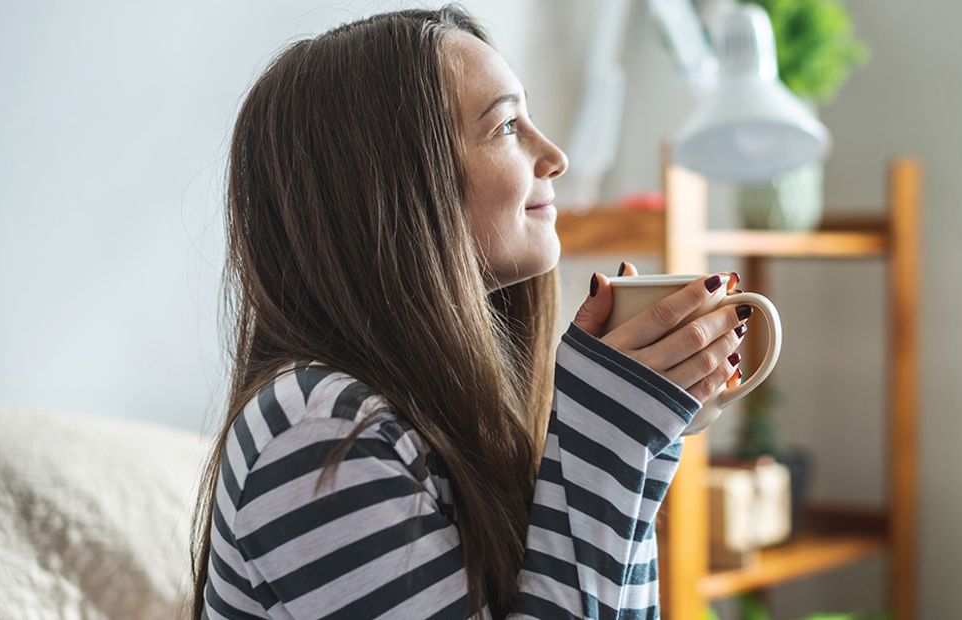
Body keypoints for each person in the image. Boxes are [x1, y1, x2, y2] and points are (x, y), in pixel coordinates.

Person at [189, 5, 750, 619]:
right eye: (508, 125)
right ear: (393, 181)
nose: (555, 155)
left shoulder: (437, 419)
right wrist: (610, 440)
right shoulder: (319, 437)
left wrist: (641, 440)